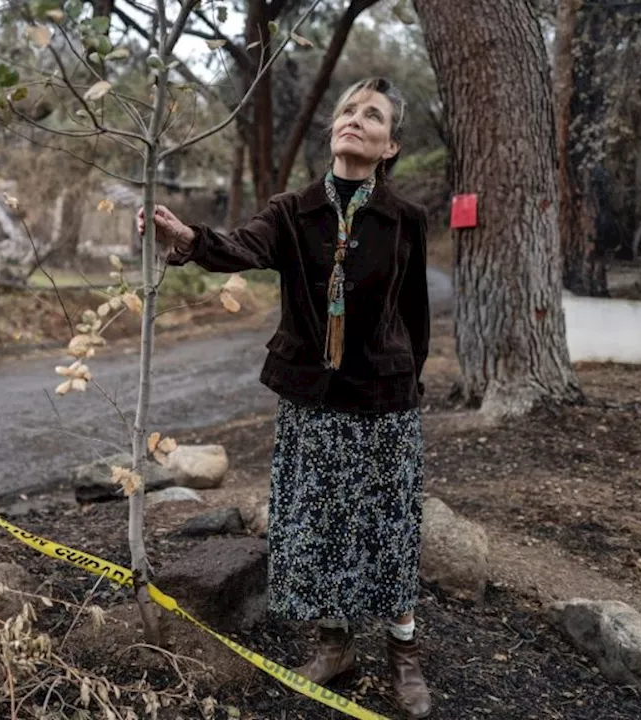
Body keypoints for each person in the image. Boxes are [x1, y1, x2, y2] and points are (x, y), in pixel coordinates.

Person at [137, 77, 432, 718]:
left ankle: (403, 653)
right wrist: (187, 240)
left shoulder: (405, 220)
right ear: (335, 131)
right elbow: (240, 246)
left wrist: (408, 384)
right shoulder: (292, 212)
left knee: (390, 527)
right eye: (349, 110)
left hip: (385, 400)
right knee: (319, 525)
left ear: (390, 146)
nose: (355, 119)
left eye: (372, 115)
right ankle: (335, 646)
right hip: (313, 396)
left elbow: (416, 317)